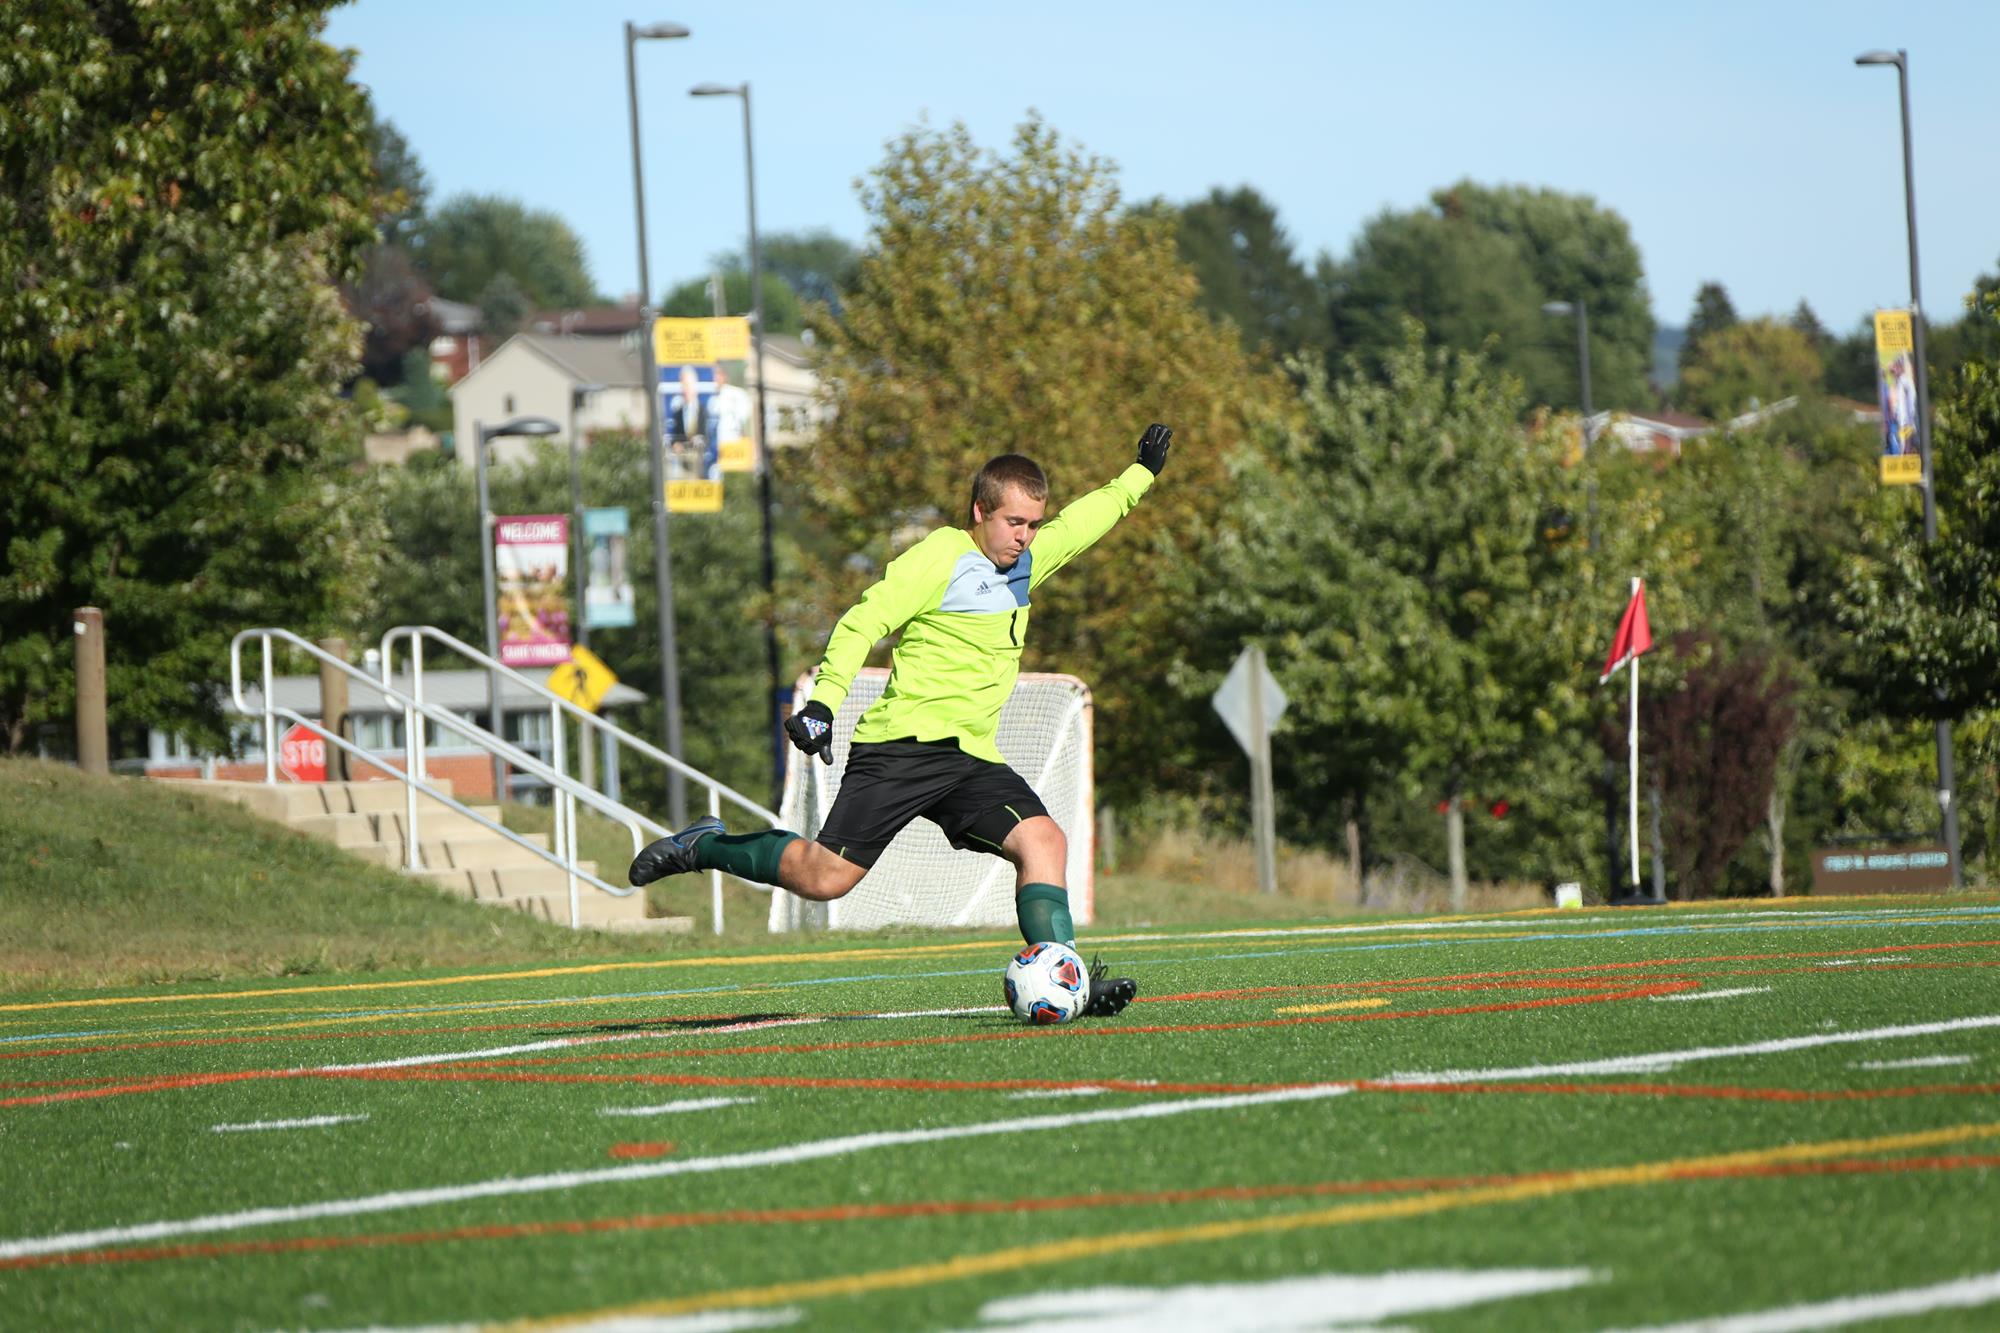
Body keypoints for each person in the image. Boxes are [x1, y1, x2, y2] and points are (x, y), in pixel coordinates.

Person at [629, 423, 1176, 1017]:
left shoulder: (1026, 563)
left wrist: (1140, 475)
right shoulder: (940, 557)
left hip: (971, 760)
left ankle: (1067, 978)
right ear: (980, 511)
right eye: (1013, 523)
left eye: (1032, 524)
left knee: (1044, 840)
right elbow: (863, 621)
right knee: (823, 879)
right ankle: (704, 845)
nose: (1025, 537)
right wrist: (822, 704)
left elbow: (1085, 523)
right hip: (901, 748)